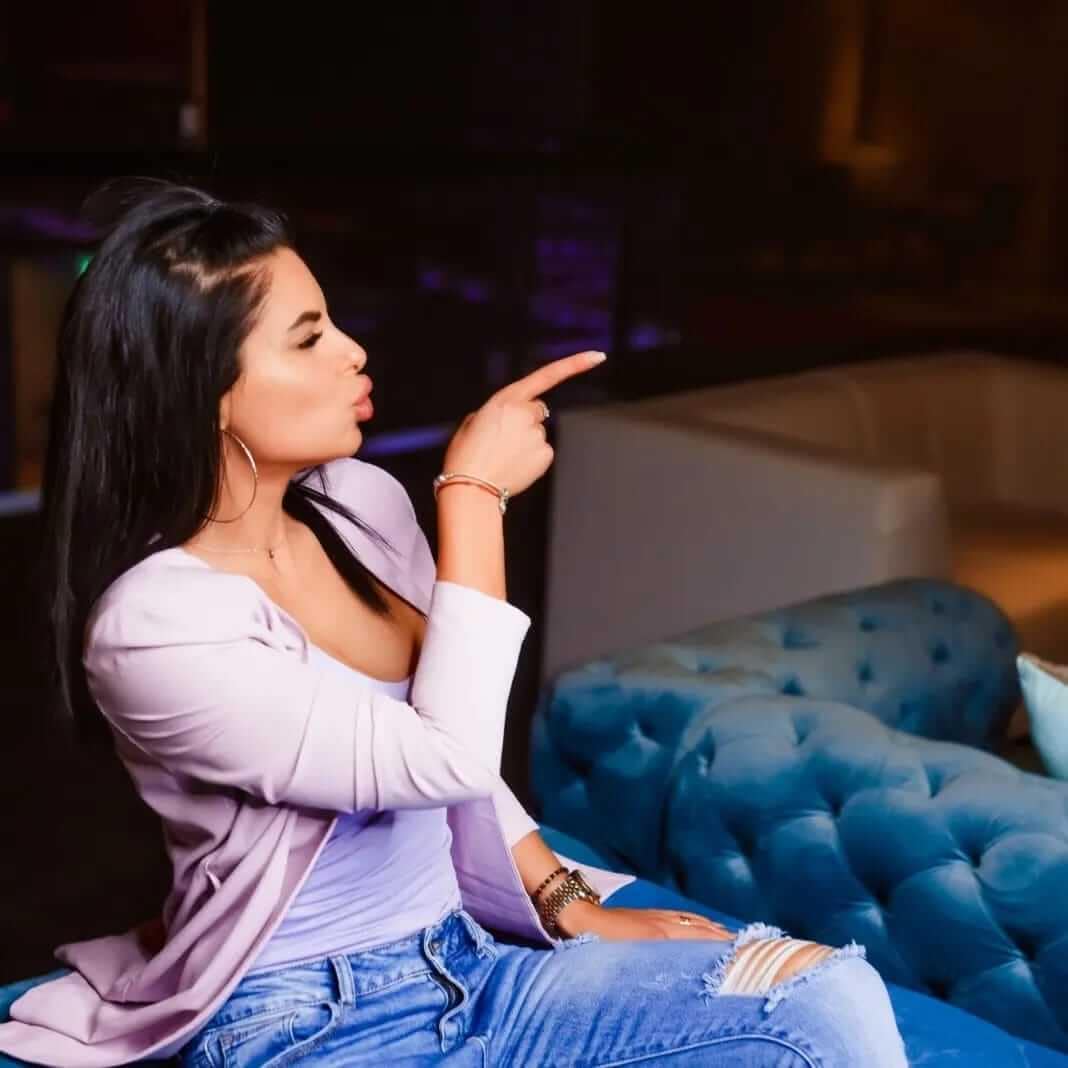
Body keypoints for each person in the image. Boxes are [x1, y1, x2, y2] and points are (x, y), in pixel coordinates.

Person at [0, 179, 908, 1066]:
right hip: (306, 1023)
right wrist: (474, 496)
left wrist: (570, 905)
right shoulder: (155, 626)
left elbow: (455, 731)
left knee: (829, 999)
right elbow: (444, 758)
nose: (354, 352)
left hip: (475, 970)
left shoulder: (357, 504)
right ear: (205, 391)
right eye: (309, 339)